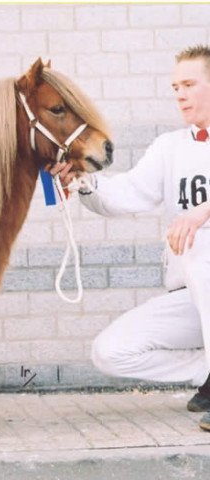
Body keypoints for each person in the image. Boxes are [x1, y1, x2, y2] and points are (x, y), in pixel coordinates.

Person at [51, 45, 210, 431]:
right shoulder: (170, 147)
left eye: (189, 84)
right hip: (193, 295)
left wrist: (203, 211)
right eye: (175, 86)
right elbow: (125, 195)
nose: (180, 94)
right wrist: (83, 181)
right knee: (111, 351)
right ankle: (208, 373)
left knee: (200, 243)